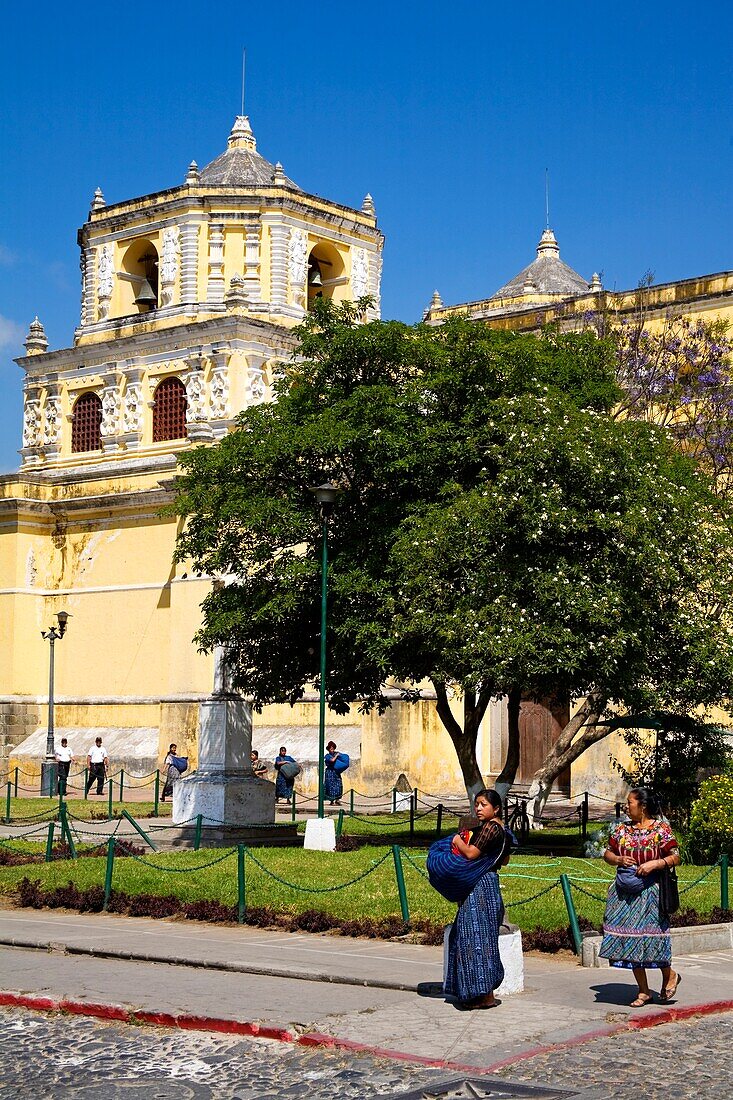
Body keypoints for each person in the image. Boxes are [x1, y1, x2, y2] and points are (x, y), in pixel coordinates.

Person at [599, 786, 681, 1007]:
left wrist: (656, 863)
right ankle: (643, 990)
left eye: (630, 802)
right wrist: (618, 860)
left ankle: (669, 975)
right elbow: (608, 853)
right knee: (631, 940)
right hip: (625, 893)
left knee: (654, 939)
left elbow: (675, 857)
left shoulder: (660, 830)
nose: (626, 806)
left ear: (642, 806)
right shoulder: (622, 830)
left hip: (651, 893)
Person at [443, 789, 512, 1010]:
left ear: (496, 809)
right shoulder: (502, 829)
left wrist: (456, 839)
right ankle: (481, 993)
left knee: (474, 940)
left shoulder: (491, 827)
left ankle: (484, 995)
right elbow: (506, 860)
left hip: (480, 888)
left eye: (483, 805)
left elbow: (471, 853)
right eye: (477, 804)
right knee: (479, 939)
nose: (479, 809)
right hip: (488, 885)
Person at [324, 741, 343, 805]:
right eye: (331, 749)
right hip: (330, 772)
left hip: (336, 772)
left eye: (333, 749)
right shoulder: (327, 756)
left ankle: (337, 799)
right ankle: (331, 800)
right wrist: (336, 756)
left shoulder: (336, 754)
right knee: (330, 786)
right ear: (328, 749)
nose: (332, 750)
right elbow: (332, 760)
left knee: (338, 785)